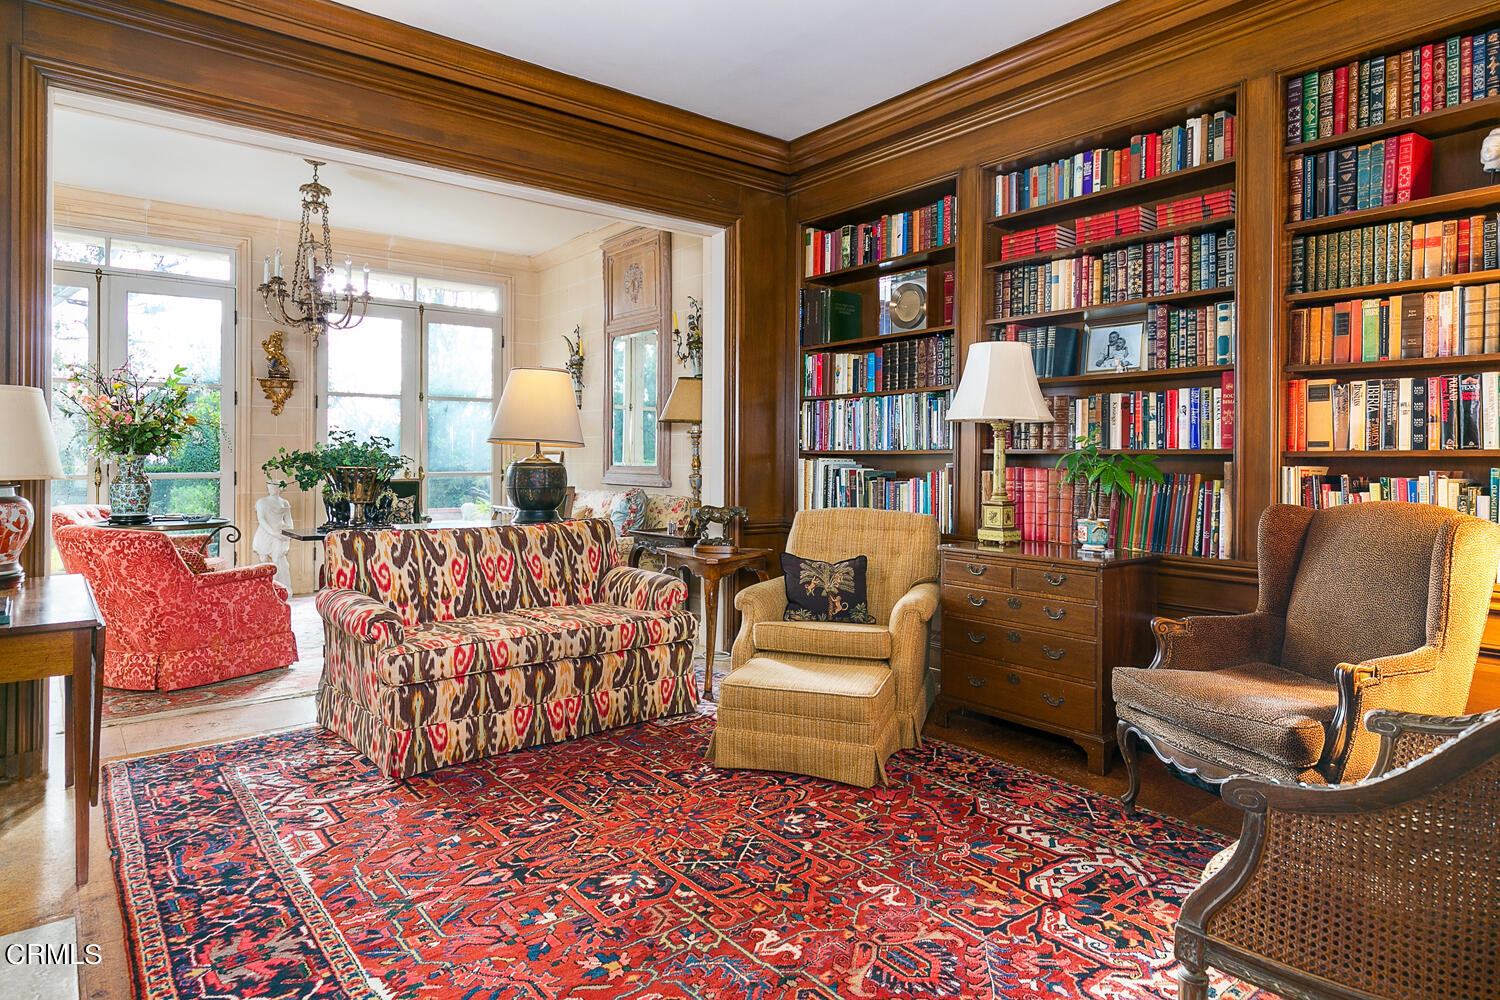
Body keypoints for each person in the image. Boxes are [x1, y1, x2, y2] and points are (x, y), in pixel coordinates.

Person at [252, 480, 295, 590]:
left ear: (280, 488)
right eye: (270, 487)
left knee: (278, 559)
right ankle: (264, 588)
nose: (272, 489)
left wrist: (289, 533)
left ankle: (279, 588)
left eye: (275, 487)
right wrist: (273, 533)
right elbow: (261, 519)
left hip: (280, 533)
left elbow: (289, 519)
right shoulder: (262, 502)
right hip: (266, 533)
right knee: (263, 559)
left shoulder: (284, 503)